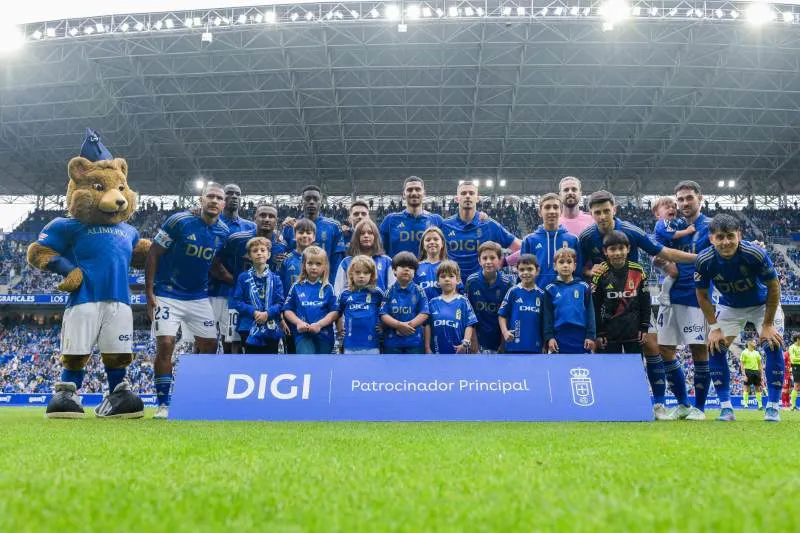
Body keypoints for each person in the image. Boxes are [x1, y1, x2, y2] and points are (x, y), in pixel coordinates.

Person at [579, 189, 695, 418]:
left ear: (614, 209)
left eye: (606, 211)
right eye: (597, 212)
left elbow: (663, 251)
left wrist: (697, 258)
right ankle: (608, 403)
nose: (602, 216)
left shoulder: (632, 232)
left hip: (634, 302)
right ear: (591, 213)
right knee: (605, 353)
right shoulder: (586, 237)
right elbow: (581, 268)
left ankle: (662, 404)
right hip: (605, 306)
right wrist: (591, 270)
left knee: (653, 345)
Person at [145, 182, 230, 419]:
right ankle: (163, 404)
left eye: (218, 198)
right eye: (210, 196)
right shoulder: (178, 221)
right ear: (201, 200)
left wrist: (233, 279)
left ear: (224, 204)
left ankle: (196, 397)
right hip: (167, 294)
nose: (214, 200)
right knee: (166, 344)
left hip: (198, 296)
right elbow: (153, 253)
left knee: (210, 346)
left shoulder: (222, 232)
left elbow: (212, 262)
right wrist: (149, 293)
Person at [695, 214, 785, 422]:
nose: (725, 242)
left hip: (763, 304)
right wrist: (714, 327)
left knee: (773, 343)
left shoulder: (754, 253)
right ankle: (726, 408)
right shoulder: (704, 260)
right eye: (720, 237)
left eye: (730, 236)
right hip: (731, 306)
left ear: (739, 235)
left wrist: (768, 324)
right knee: (715, 346)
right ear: (711, 239)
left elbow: (774, 286)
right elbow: (701, 294)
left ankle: (773, 406)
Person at [590, 231, 669, 420]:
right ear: (605, 252)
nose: (617, 253)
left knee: (636, 370)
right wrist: (599, 332)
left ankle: (637, 406)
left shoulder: (638, 270)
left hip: (633, 331)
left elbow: (644, 301)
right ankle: (609, 406)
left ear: (628, 249)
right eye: (612, 249)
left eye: (620, 248)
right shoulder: (600, 274)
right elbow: (594, 304)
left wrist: (643, 327)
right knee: (609, 371)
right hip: (609, 333)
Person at [655, 182, 713, 420]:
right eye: (680, 199)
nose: (684, 203)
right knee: (664, 349)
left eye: (689, 198)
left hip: (695, 296)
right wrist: (661, 261)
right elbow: (657, 249)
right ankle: (683, 404)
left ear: (700, 198)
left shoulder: (710, 226)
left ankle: (699, 408)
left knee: (698, 349)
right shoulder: (673, 225)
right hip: (670, 297)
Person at [217, 203, 287, 353]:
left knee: (269, 350)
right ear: (255, 218)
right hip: (240, 304)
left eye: (271, 216)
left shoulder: (281, 245)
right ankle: (232, 376)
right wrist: (233, 280)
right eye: (262, 215)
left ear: (276, 221)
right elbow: (216, 260)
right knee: (232, 345)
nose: (267, 219)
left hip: (269, 309)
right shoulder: (237, 239)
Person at [207, 184, 256, 354]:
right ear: (222, 198)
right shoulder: (212, 223)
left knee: (232, 342)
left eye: (238, 194)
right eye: (229, 193)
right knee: (205, 341)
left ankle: (229, 377)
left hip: (237, 294)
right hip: (212, 290)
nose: (234, 196)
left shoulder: (250, 227)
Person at [440, 181, 520, 280]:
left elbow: (525, 247)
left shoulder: (489, 225)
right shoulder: (445, 225)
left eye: (472, 193)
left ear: (478, 199)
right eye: (463, 193)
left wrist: (504, 262)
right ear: (457, 199)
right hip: (453, 288)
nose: (468, 196)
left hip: (482, 287)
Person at [231, 237, 284, 354]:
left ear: (269, 255)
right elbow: (237, 301)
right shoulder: (243, 277)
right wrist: (253, 312)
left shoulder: (276, 279)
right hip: (248, 326)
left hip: (271, 326)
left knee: (270, 363)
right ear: (249, 256)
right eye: (255, 251)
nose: (259, 253)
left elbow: (280, 303)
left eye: (263, 250)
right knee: (251, 363)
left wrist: (267, 313)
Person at [282, 246, 339, 354]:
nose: (314, 267)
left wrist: (320, 325)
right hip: (303, 335)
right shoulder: (296, 286)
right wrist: (298, 323)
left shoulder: (328, 288)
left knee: (322, 368)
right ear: (304, 265)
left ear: (324, 267)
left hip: (324, 335)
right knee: (307, 362)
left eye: (318, 264)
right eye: (310, 263)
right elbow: (287, 310)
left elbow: (335, 312)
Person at [521, 193, 581, 289]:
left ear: (561, 211)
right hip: (538, 296)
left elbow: (578, 272)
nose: (552, 211)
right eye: (547, 207)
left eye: (555, 207)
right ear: (540, 212)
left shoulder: (572, 240)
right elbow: (523, 272)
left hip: (564, 297)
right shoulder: (529, 240)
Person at [282, 185, 345, 276]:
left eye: (315, 199)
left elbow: (336, 261)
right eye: (307, 199)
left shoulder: (334, 226)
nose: (311, 202)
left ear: (321, 201)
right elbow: (285, 259)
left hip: (324, 282)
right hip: (298, 283)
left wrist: (330, 285)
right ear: (302, 201)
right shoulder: (290, 226)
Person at [543, 248, 596, 354]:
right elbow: (547, 316)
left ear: (575, 266)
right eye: (561, 262)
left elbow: (590, 313)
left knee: (580, 369)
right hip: (559, 337)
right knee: (558, 369)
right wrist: (549, 337)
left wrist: (590, 335)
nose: (565, 265)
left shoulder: (584, 287)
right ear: (555, 266)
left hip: (581, 337)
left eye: (569, 262)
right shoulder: (550, 289)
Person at [465, 241, 515, 354]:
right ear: (479, 260)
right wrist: (473, 340)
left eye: (492, 258)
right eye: (484, 258)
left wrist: (503, 343)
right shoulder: (471, 282)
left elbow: (507, 316)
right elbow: (468, 314)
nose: (488, 262)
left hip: (499, 341)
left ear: (500, 260)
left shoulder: (507, 284)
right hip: (477, 341)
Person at [277, 219, 316, 354]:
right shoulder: (286, 260)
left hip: (314, 314)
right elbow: (279, 289)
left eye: (308, 232)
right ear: (294, 235)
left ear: (314, 237)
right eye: (301, 232)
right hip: (292, 316)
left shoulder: (320, 260)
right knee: (293, 352)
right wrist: (281, 314)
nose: (305, 235)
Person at [380, 176, 444, 257]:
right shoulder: (390, 220)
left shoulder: (436, 220)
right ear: (403, 194)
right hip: (399, 269)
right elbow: (380, 251)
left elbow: (444, 251)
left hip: (428, 269)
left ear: (424, 193)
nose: (414, 193)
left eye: (418, 189)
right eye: (409, 190)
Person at [380, 251, 430, 354]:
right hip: (392, 342)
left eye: (411, 267)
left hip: (414, 342)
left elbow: (424, 313)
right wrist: (398, 325)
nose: (407, 269)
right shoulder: (388, 292)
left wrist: (407, 326)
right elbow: (383, 314)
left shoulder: (419, 291)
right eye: (402, 266)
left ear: (415, 272)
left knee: (415, 370)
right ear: (394, 270)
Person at [425, 260, 478, 355]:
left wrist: (465, 343)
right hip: (436, 354)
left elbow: (469, 324)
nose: (447, 279)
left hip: (458, 353)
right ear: (437, 281)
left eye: (451, 276)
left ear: (458, 280)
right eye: (443, 276)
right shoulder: (432, 302)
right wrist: (427, 348)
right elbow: (427, 326)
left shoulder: (463, 301)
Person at [650, 196, 694, 306]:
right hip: (661, 255)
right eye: (667, 207)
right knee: (674, 273)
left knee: (673, 274)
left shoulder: (673, 222)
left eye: (674, 207)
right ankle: (663, 295)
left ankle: (666, 293)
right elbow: (673, 235)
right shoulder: (662, 223)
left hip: (667, 255)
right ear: (657, 214)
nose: (672, 209)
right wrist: (688, 231)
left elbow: (682, 222)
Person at [336, 255, 384, 355]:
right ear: (351, 274)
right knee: (350, 370)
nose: (361, 276)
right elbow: (337, 313)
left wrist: (383, 325)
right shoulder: (345, 294)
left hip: (372, 344)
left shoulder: (377, 293)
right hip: (350, 344)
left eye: (366, 273)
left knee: (371, 370)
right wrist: (339, 327)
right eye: (358, 272)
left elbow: (386, 312)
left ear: (372, 275)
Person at [498, 254, 546, 354]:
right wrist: (505, 332)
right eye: (522, 269)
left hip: (535, 347)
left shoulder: (542, 295)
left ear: (537, 270)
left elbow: (545, 322)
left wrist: (545, 344)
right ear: (517, 270)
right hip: (514, 346)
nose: (525, 273)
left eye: (529, 269)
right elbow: (502, 315)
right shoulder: (513, 291)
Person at [333, 219, 394, 295]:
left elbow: (392, 289)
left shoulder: (387, 261)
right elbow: (338, 291)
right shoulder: (346, 262)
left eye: (370, 233)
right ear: (356, 237)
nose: (366, 236)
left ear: (375, 236)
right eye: (362, 233)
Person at [415, 226, 455, 302]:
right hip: (422, 312)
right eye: (428, 240)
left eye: (436, 239)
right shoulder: (416, 267)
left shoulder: (450, 266)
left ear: (442, 243)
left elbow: (457, 293)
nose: (432, 242)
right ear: (423, 245)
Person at [740, 340, 764, 410]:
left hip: (756, 371)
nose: (755, 343)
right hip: (748, 371)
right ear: (749, 343)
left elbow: (760, 365)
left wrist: (761, 375)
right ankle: (745, 404)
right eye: (753, 342)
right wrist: (744, 375)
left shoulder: (757, 353)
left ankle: (760, 406)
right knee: (746, 387)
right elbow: (742, 364)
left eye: (755, 342)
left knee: (758, 388)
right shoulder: (744, 352)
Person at [789, 334, 800, 410]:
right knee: (796, 386)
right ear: (798, 339)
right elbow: (793, 359)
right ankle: (793, 405)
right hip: (796, 367)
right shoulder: (792, 347)